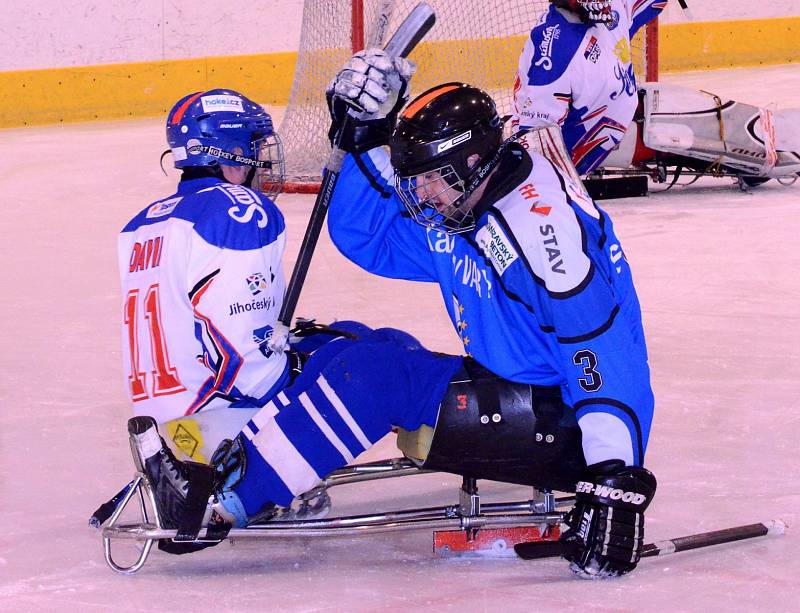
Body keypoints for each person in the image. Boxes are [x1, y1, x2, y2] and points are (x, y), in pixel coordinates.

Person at [126, 51, 656, 578]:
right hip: (519, 384)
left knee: (375, 377)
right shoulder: (467, 198)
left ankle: (223, 502)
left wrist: (614, 477)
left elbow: (608, 359)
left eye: (428, 179)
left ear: (470, 162)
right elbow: (370, 237)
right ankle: (233, 456)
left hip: (567, 421)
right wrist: (364, 136)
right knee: (359, 344)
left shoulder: (548, 241)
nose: (419, 194)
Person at [118, 88, 295, 460]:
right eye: (252, 146)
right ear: (228, 151)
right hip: (221, 422)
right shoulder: (237, 208)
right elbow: (245, 358)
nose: (258, 159)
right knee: (360, 356)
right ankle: (270, 479)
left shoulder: (140, 224)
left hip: (166, 429)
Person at [512, 0, 666, 175]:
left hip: (602, 138)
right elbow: (535, 139)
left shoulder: (614, 8)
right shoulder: (556, 48)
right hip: (558, 169)